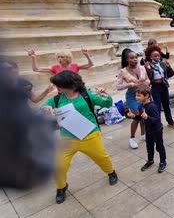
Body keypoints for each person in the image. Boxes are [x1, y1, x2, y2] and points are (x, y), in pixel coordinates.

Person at [41, 71, 118, 204]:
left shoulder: (86, 94)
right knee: (59, 165)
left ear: (69, 84)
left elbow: (107, 103)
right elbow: (43, 107)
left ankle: (111, 173)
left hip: (89, 134)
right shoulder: (58, 98)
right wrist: (46, 108)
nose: (56, 87)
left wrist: (104, 94)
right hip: (67, 138)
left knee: (101, 157)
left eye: (59, 85)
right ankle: (61, 187)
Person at [0, 60, 56, 190]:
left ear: (16, 70)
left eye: (10, 70)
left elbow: (35, 99)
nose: (8, 73)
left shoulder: (24, 84)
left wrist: (46, 91)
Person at [116, 48, 150, 149]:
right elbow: (118, 87)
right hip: (132, 96)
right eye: (132, 58)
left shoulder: (142, 68)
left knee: (143, 115)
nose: (135, 59)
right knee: (137, 117)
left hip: (143, 95)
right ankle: (132, 138)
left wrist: (145, 83)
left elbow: (148, 80)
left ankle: (143, 135)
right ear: (127, 59)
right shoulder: (123, 71)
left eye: (136, 57)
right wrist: (129, 84)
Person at [128, 87, 167, 173]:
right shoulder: (142, 105)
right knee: (149, 147)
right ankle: (150, 160)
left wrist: (147, 117)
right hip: (148, 130)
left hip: (156, 130)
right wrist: (134, 116)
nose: (136, 97)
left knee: (159, 147)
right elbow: (141, 117)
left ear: (146, 96)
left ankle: (163, 162)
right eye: (136, 95)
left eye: (139, 95)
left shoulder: (152, 106)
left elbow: (157, 119)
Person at [144, 45, 174, 129]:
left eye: (158, 55)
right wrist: (148, 69)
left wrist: (169, 67)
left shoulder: (162, 63)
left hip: (164, 86)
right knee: (157, 107)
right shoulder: (148, 65)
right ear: (151, 56)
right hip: (155, 87)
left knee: (167, 105)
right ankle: (158, 123)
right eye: (155, 56)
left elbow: (170, 74)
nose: (157, 57)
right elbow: (149, 78)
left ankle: (170, 121)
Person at [27, 48, 93, 74]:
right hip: (63, 92)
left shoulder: (75, 66)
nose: (59, 59)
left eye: (62, 57)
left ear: (67, 58)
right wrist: (34, 57)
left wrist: (87, 55)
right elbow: (36, 69)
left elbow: (90, 65)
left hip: (77, 90)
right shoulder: (54, 67)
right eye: (58, 57)